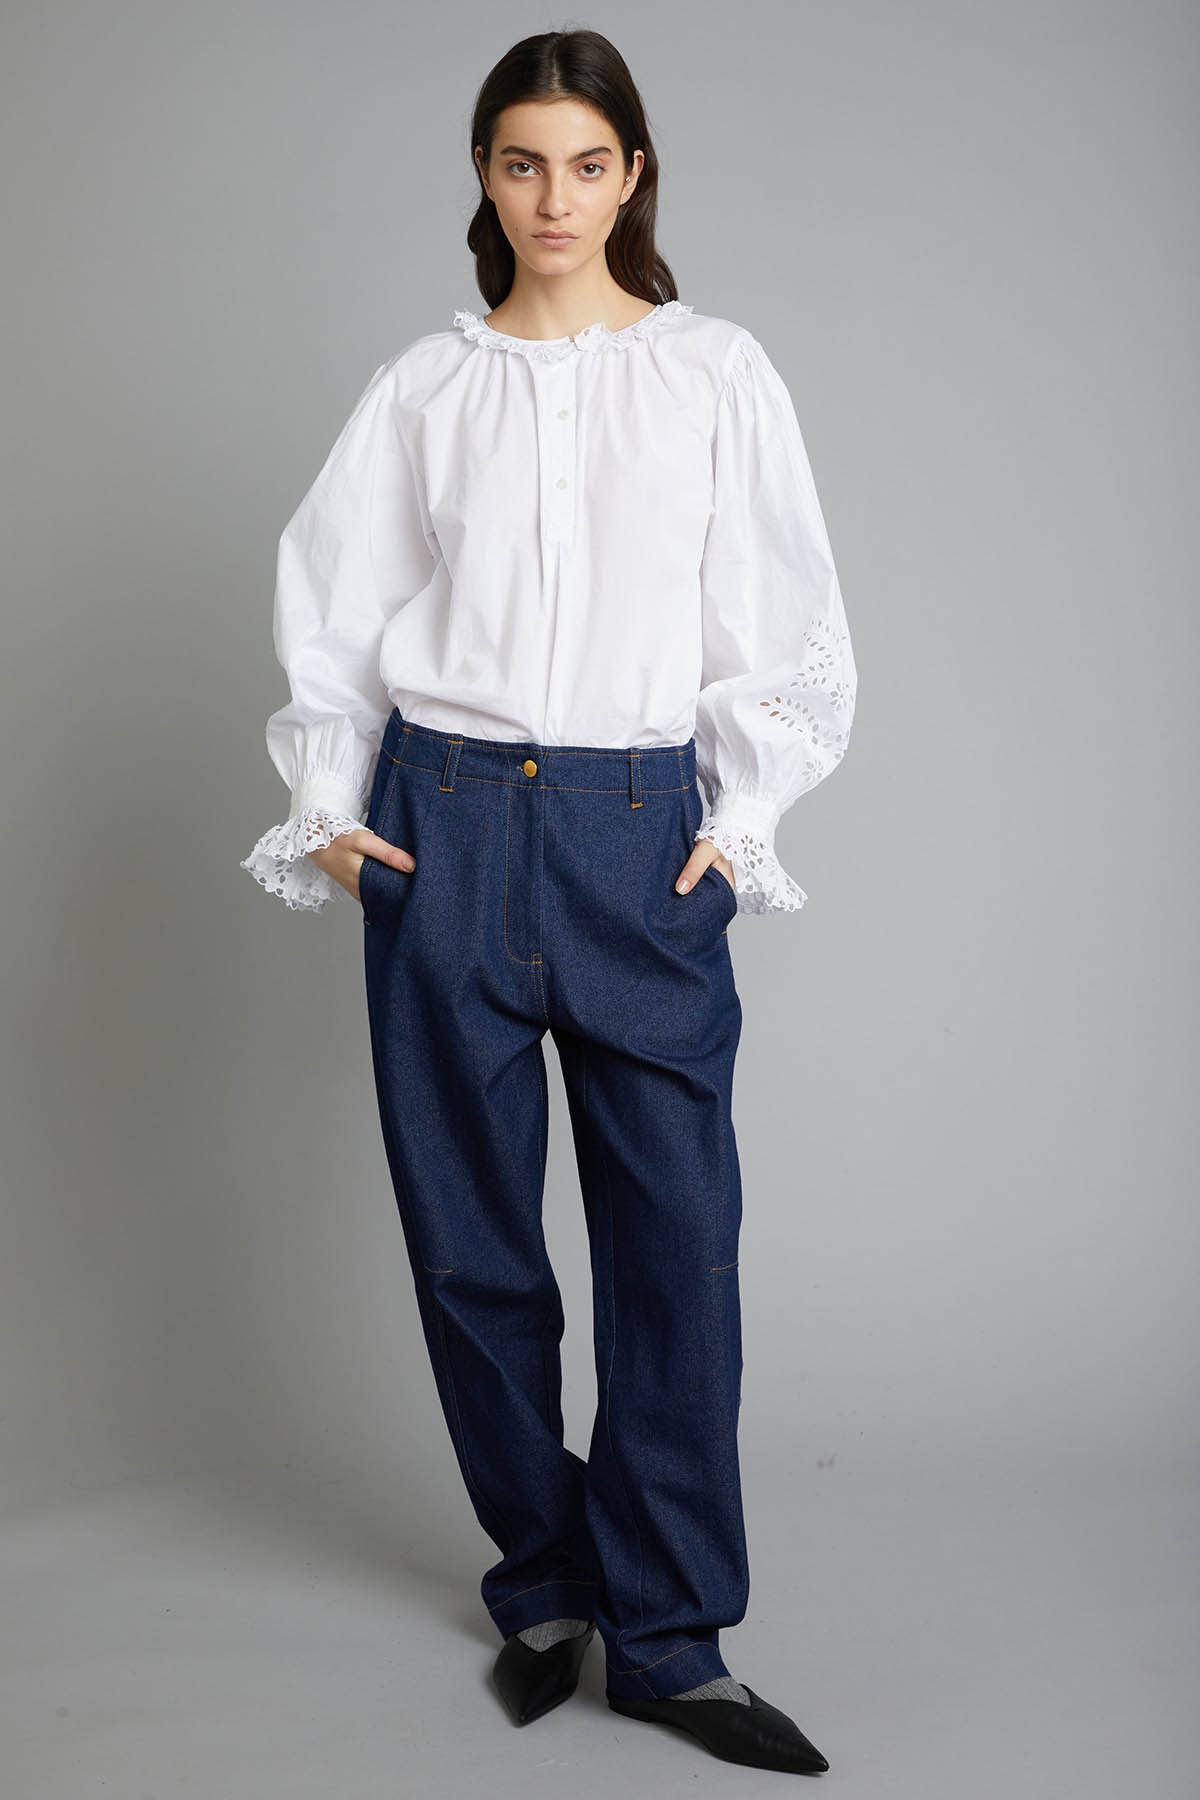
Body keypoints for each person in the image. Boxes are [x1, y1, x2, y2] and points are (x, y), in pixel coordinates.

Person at [240, 27, 856, 1778]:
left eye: (588, 165)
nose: (555, 200)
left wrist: (741, 813)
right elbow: (334, 601)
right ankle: (544, 1584)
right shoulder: (423, 389)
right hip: (442, 826)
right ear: (485, 178)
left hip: (634, 836)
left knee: (678, 1252)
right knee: (470, 1248)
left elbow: (784, 616)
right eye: (523, 164)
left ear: (633, 174)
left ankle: (671, 1638)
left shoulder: (714, 371)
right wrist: (328, 804)